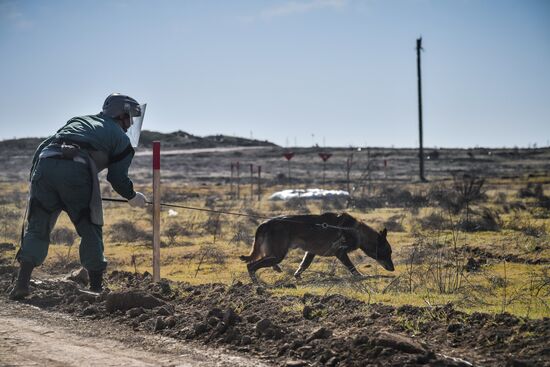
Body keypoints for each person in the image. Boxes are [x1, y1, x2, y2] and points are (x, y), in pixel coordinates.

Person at [9, 93, 148, 300]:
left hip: (44, 166)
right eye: (130, 118)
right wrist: (132, 196)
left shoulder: (79, 121)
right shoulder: (121, 139)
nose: (130, 124)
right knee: (90, 225)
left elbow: (42, 148)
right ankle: (96, 288)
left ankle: (21, 285)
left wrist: (38, 181)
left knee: (38, 226)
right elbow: (117, 178)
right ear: (122, 114)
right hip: (76, 169)